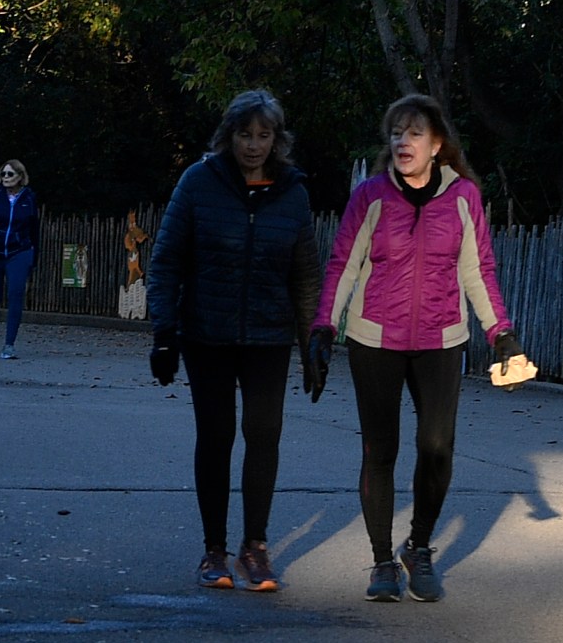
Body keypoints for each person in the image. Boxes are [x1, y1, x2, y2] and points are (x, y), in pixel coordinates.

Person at [310, 94, 522, 604]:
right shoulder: (371, 197)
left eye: (414, 133)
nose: (403, 141)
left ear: (437, 145)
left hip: (442, 338)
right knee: (380, 450)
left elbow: (477, 271)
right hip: (373, 338)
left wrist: (501, 335)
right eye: (396, 132)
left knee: (437, 448)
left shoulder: (464, 197)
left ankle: (418, 546)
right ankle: (383, 561)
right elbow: (344, 265)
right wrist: (322, 328)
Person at [147, 90, 321, 593]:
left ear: (277, 139)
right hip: (208, 332)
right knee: (217, 436)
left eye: (264, 135)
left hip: (268, 334)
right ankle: (215, 549)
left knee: (264, 435)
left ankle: (256, 547)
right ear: (230, 135)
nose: (253, 145)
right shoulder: (199, 183)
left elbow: (305, 274)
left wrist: (313, 344)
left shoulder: (293, 192)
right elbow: (166, 262)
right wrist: (164, 334)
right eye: (245, 134)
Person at [0, 159, 40, 358]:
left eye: (10, 174)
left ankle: (9, 344)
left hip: (19, 251)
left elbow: (34, 229)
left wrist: (33, 258)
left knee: (16, 293)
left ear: (20, 176)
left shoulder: (29, 198)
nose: (6, 178)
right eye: (3, 174)